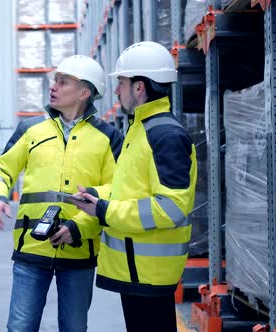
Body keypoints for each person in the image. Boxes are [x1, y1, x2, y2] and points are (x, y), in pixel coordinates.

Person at [0, 55, 123, 332]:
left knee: (74, 327)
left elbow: (116, 191)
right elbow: (1, 169)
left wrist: (78, 227)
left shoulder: (108, 138)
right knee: (20, 327)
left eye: (63, 82)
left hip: (79, 249)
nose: (53, 87)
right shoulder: (31, 129)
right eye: (54, 81)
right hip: (31, 248)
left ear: (85, 92)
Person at [72, 41, 197, 332]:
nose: (117, 91)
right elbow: (131, 190)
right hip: (137, 271)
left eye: (122, 83)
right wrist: (96, 195)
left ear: (139, 87)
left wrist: (103, 210)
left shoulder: (164, 135)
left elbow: (171, 207)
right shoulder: (141, 129)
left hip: (148, 273)